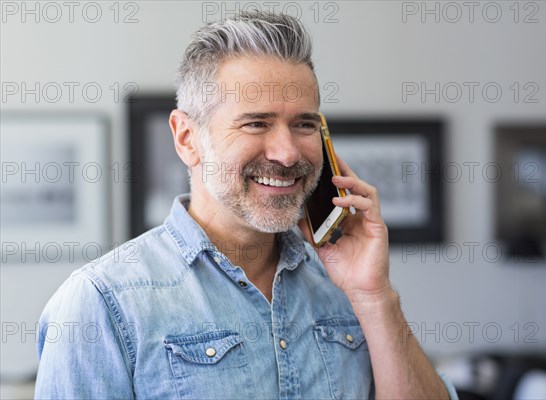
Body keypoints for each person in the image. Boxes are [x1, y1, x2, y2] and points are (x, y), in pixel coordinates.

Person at [34, 11, 458, 399]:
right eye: (256, 123)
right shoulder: (101, 303)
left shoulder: (346, 289)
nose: (288, 153)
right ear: (186, 138)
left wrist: (374, 296)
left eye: (304, 124)